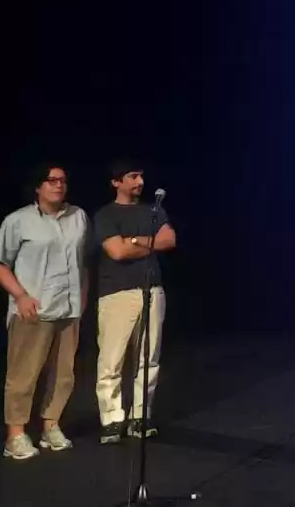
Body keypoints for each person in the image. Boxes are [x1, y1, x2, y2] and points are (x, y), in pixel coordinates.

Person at [0, 164, 89, 460]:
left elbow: (84, 261)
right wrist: (20, 295)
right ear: (37, 187)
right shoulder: (18, 220)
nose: (58, 185)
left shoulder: (78, 217)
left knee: (63, 374)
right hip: (34, 308)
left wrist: (82, 297)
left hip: (68, 308)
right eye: (51, 180)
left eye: (63, 180)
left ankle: (51, 425)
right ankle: (15, 435)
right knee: (23, 375)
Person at [93, 160, 176, 443]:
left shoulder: (154, 210)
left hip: (152, 290)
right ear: (116, 182)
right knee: (112, 360)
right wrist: (149, 243)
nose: (139, 181)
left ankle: (141, 415)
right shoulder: (106, 215)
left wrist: (135, 241)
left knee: (148, 358)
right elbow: (116, 252)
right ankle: (112, 418)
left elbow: (169, 240)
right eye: (132, 176)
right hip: (117, 293)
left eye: (141, 176)